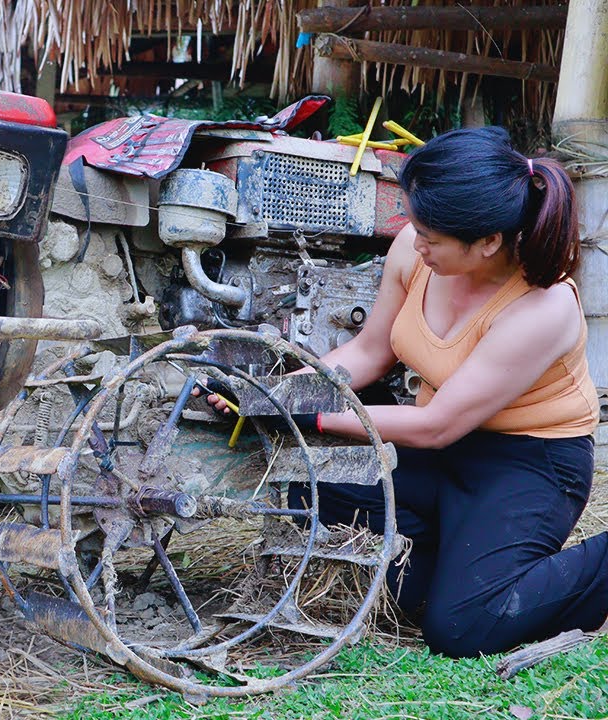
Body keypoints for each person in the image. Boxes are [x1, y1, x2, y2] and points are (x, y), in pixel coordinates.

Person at [202, 126, 607, 658]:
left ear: (488, 242)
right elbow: (369, 353)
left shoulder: (543, 307)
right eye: (416, 228)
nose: (417, 244)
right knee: (313, 484)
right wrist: (274, 391)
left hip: (528, 463)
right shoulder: (414, 253)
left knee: (462, 628)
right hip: (439, 450)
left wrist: (307, 415)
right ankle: (452, 553)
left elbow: (436, 426)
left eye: (431, 238)